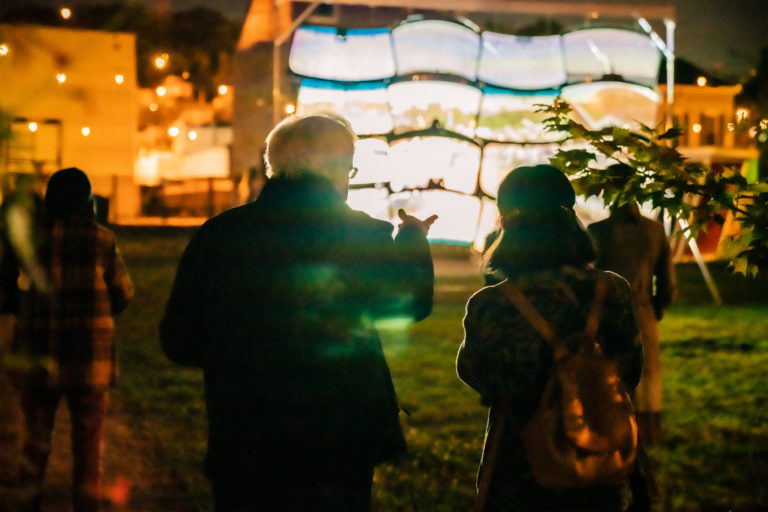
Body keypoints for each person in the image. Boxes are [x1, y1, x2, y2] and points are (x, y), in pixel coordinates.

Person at [160, 112, 437, 512]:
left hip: (246, 439)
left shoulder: (218, 236)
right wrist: (412, 240)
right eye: (348, 166)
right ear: (332, 167)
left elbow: (180, 341)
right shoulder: (363, 236)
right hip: (339, 443)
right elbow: (411, 304)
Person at [456, 164, 643, 511]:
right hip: (599, 463)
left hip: (518, 471)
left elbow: (475, 373)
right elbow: (630, 371)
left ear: (507, 225)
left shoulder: (490, 304)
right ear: (571, 220)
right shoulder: (612, 291)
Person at [0, 167, 133, 512]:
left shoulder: (32, 237)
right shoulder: (102, 240)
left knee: (35, 443)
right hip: (90, 357)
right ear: (87, 201)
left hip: (38, 355)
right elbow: (123, 293)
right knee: (88, 446)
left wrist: (21, 303)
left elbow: (4, 283)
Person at [588, 165, 676, 445]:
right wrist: (656, 307)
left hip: (604, 312)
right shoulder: (654, 230)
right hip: (642, 310)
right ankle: (646, 432)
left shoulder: (596, 232)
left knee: (609, 371)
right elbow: (667, 282)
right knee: (646, 371)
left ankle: (611, 428)